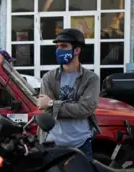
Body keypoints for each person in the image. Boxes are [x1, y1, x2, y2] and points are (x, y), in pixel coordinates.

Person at [37, 28, 101, 160]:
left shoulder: (91, 79)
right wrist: (71, 108)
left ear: (77, 50)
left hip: (81, 144)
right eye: (57, 46)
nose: (59, 50)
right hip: (53, 143)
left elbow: (85, 109)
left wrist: (52, 103)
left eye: (64, 46)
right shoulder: (48, 78)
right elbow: (47, 112)